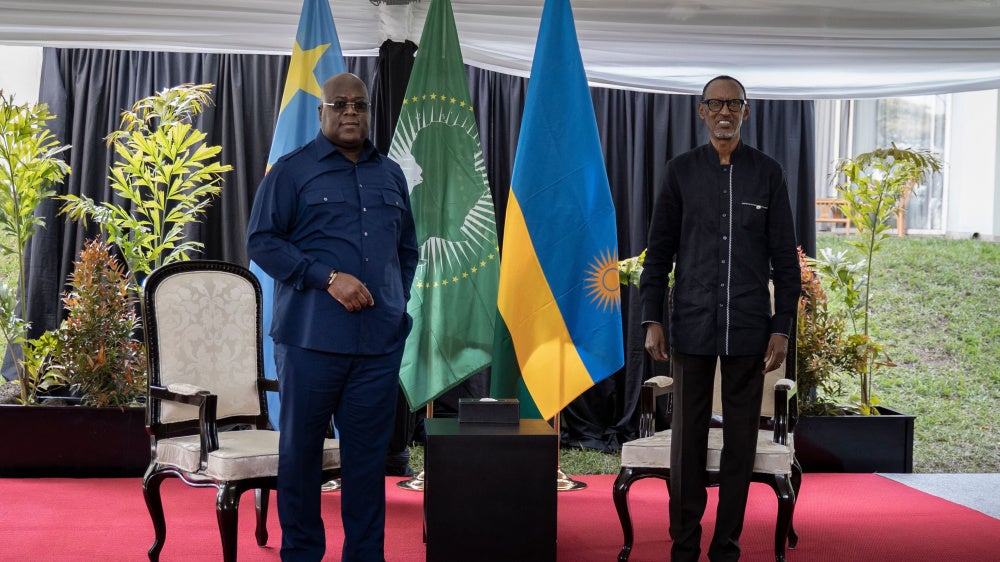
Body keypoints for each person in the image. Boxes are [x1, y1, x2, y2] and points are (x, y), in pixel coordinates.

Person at [246, 72, 418, 562]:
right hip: (310, 343)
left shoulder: (391, 175)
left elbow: (406, 250)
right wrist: (326, 278)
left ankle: (365, 555)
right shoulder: (291, 171)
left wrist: (394, 302)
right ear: (321, 112)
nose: (350, 112)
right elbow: (262, 242)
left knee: (367, 460)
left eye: (359, 105)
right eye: (339, 104)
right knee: (301, 455)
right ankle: (302, 553)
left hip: (377, 348)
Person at [638, 75, 800, 562]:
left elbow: (785, 262)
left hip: (749, 329)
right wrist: (652, 317)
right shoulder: (681, 172)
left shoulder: (768, 173)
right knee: (686, 443)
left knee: (740, 443)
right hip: (691, 325)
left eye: (733, 104)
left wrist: (781, 327)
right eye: (715, 104)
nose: (724, 112)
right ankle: (684, 545)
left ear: (746, 112)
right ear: (702, 111)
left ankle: (726, 546)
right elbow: (658, 253)